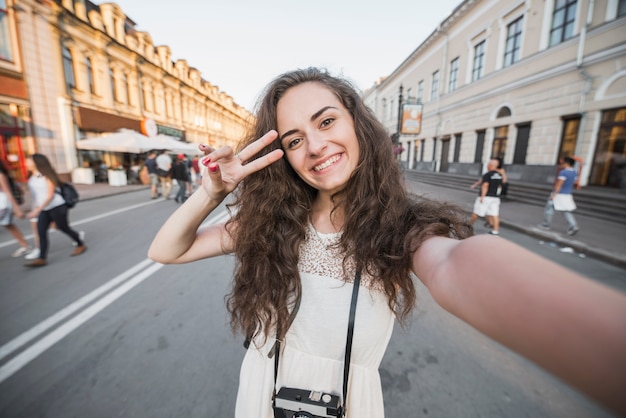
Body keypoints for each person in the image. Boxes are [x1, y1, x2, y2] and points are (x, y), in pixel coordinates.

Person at [148, 68, 626, 417]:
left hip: (347, 405)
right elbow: (166, 250)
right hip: (261, 395)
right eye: (294, 140)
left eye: (326, 121)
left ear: (357, 122)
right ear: (282, 157)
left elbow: (457, 268)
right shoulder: (271, 222)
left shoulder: (400, 225)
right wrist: (213, 191)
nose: (315, 146)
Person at [24, 154, 87, 267]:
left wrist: (37, 210)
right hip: (44, 208)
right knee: (41, 231)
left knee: (64, 228)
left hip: (57, 207)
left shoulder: (47, 176)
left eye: (29, 161)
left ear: (37, 162)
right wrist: (36, 208)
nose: (26, 163)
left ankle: (80, 244)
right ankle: (42, 258)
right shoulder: (32, 178)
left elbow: (50, 196)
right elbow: (37, 196)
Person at [539, 156, 580, 235]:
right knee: (566, 211)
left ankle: (546, 224)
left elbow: (559, 185)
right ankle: (573, 226)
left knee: (549, 209)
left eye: (562, 162)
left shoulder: (563, 172)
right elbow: (575, 183)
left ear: (567, 163)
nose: (560, 164)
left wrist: (553, 195)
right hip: (567, 195)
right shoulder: (574, 172)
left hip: (559, 195)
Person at [0, 159, 31, 257]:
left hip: (3, 205)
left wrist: (17, 209)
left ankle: (25, 246)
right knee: (9, 225)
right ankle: (25, 246)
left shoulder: (0, 175)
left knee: (8, 225)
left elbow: (8, 192)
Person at [468, 158, 504, 235]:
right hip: (495, 197)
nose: (487, 165)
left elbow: (485, 185)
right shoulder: (499, 175)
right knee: (494, 214)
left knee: (476, 212)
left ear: (490, 165)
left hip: (486, 197)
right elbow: (500, 186)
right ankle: (495, 231)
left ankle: (468, 226)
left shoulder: (487, 175)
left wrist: (482, 196)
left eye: (488, 164)